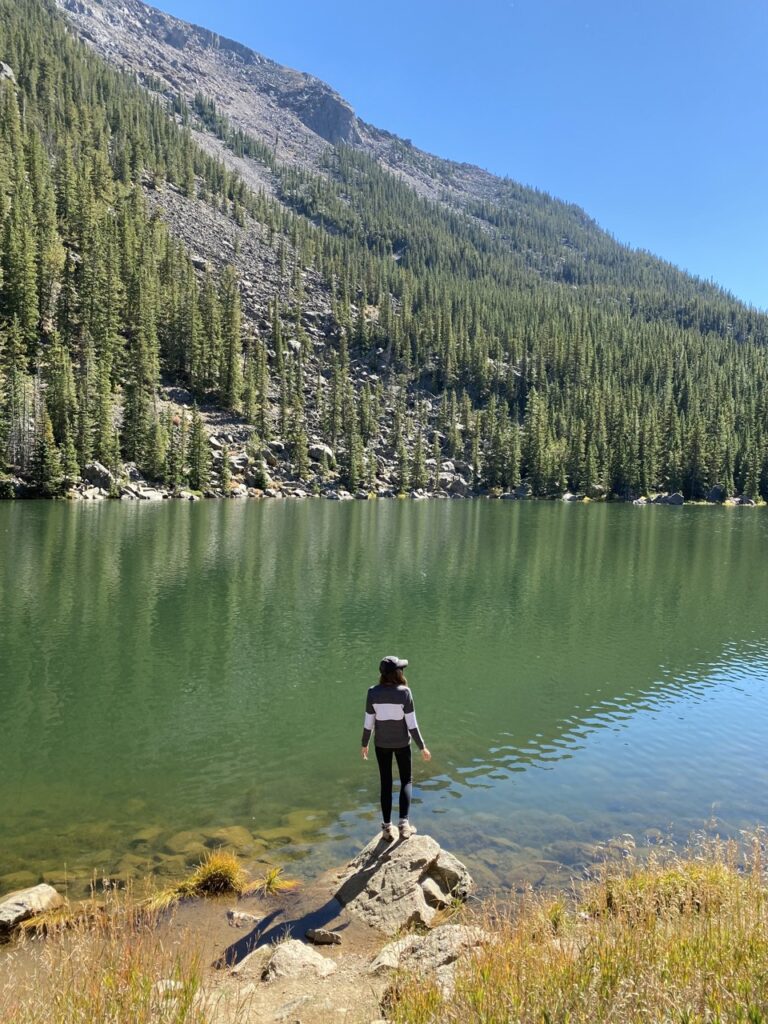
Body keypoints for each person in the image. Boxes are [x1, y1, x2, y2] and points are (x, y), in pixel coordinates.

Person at [361, 655, 431, 841]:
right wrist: (422, 746)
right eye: (401, 668)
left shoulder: (372, 692)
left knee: (386, 782)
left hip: (381, 744)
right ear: (397, 673)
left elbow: (369, 723)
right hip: (401, 744)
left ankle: (386, 828)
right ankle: (404, 824)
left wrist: (364, 743)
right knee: (406, 780)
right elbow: (412, 725)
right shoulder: (405, 693)